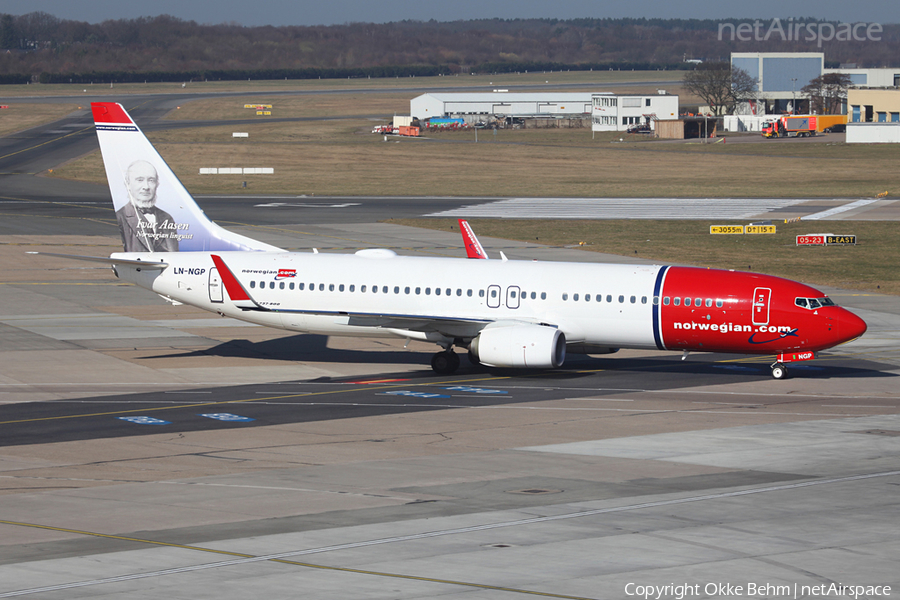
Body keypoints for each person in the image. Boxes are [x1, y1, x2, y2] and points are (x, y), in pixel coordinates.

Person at [116, 160, 180, 252]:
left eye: (151, 180)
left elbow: (174, 253)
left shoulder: (167, 218)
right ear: (128, 184)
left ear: (157, 184)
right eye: (140, 180)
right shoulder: (120, 217)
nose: (146, 187)